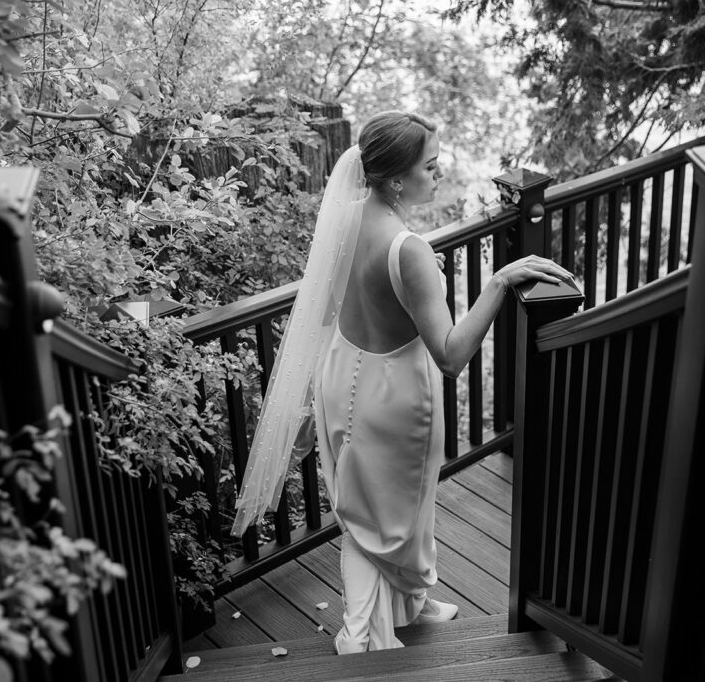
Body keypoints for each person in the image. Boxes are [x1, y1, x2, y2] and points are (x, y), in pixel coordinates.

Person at [231, 111, 574, 654]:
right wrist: (503, 280)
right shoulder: (408, 249)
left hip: (342, 376)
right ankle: (363, 641)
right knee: (390, 519)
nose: (439, 175)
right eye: (431, 167)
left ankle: (411, 605)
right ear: (395, 179)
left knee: (366, 510)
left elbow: (326, 308)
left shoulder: (345, 218)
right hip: (393, 397)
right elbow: (451, 355)